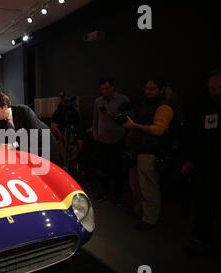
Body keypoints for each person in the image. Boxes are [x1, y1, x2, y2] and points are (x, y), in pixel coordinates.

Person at [123, 78, 178, 230]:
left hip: (152, 151)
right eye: (146, 88)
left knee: (149, 187)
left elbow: (159, 130)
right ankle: (141, 211)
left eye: (152, 88)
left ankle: (150, 219)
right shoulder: (148, 104)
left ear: (161, 90)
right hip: (141, 150)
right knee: (139, 185)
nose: (148, 91)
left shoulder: (164, 107)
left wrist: (134, 126)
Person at [181, 69, 221, 254]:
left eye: (219, 88)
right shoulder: (204, 108)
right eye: (213, 89)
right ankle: (203, 240)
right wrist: (190, 159)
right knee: (204, 206)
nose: (216, 92)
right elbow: (195, 136)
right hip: (205, 167)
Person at [0, 92, 61, 166]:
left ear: (5, 107)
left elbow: (33, 133)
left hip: (43, 143)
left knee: (53, 173)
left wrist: (13, 145)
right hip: (27, 149)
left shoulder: (24, 111)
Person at [92, 77, 130, 204]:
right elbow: (95, 119)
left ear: (113, 87)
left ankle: (117, 195)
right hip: (102, 139)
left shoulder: (123, 100)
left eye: (107, 88)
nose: (105, 91)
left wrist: (112, 116)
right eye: (102, 89)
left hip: (118, 138)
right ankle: (103, 192)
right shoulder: (98, 101)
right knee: (102, 168)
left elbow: (128, 119)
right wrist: (95, 133)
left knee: (117, 168)